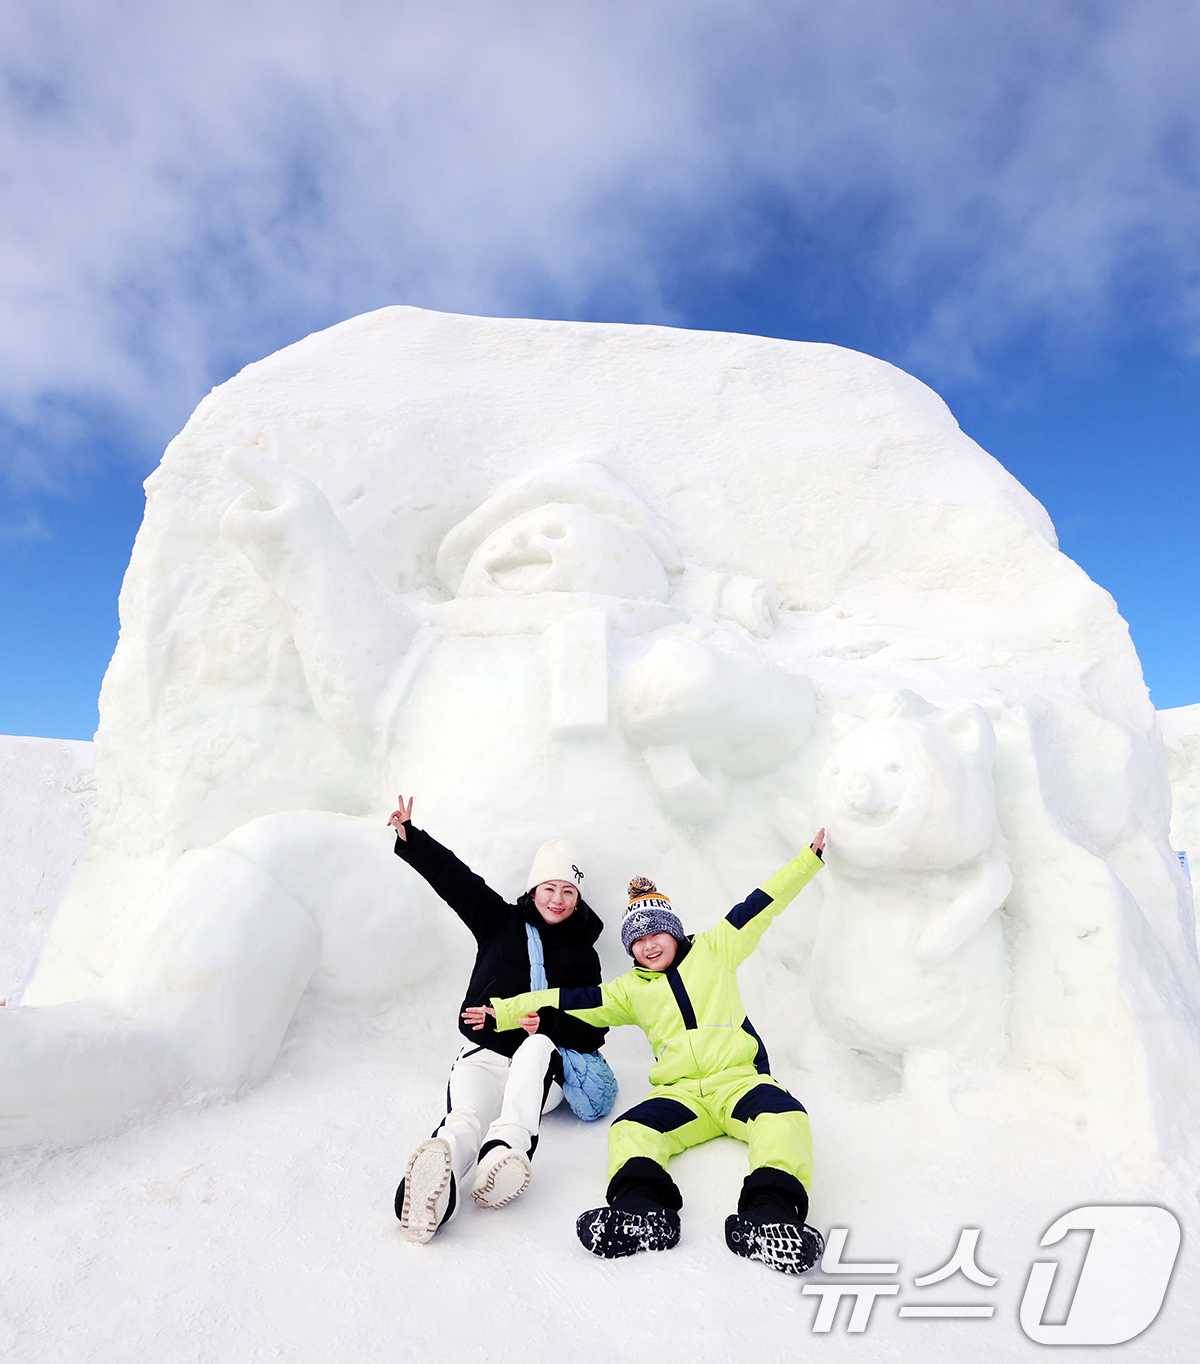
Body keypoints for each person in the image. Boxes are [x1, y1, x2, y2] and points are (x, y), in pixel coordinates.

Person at [479, 831, 827, 1274]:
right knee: (630, 1131)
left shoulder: (717, 949)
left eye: (657, 933)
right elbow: (569, 999)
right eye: (637, 941)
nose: (649, 945)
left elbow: (762, 903)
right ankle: (642, 1213)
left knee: (785, 1119)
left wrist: (808, 861)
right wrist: (504, 1011)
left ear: (674, 931)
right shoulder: (630, 991)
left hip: (740, 1083)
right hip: (682, 1096)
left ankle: (771, 1218)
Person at [389, 795, 609, 1243]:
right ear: (533, 889)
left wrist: (544, 1023)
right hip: (482, 1056)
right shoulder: (499, 922)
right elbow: (457, 881)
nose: (558, 899)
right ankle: (437, 1179)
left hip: (538, 1069)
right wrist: (414, 838)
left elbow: (595, 1026)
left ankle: (506, 1149)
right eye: (549, 888)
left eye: (569, 890)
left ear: (578, 896)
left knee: (538, 1047)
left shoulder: (584, 955)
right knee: (464, 1117)